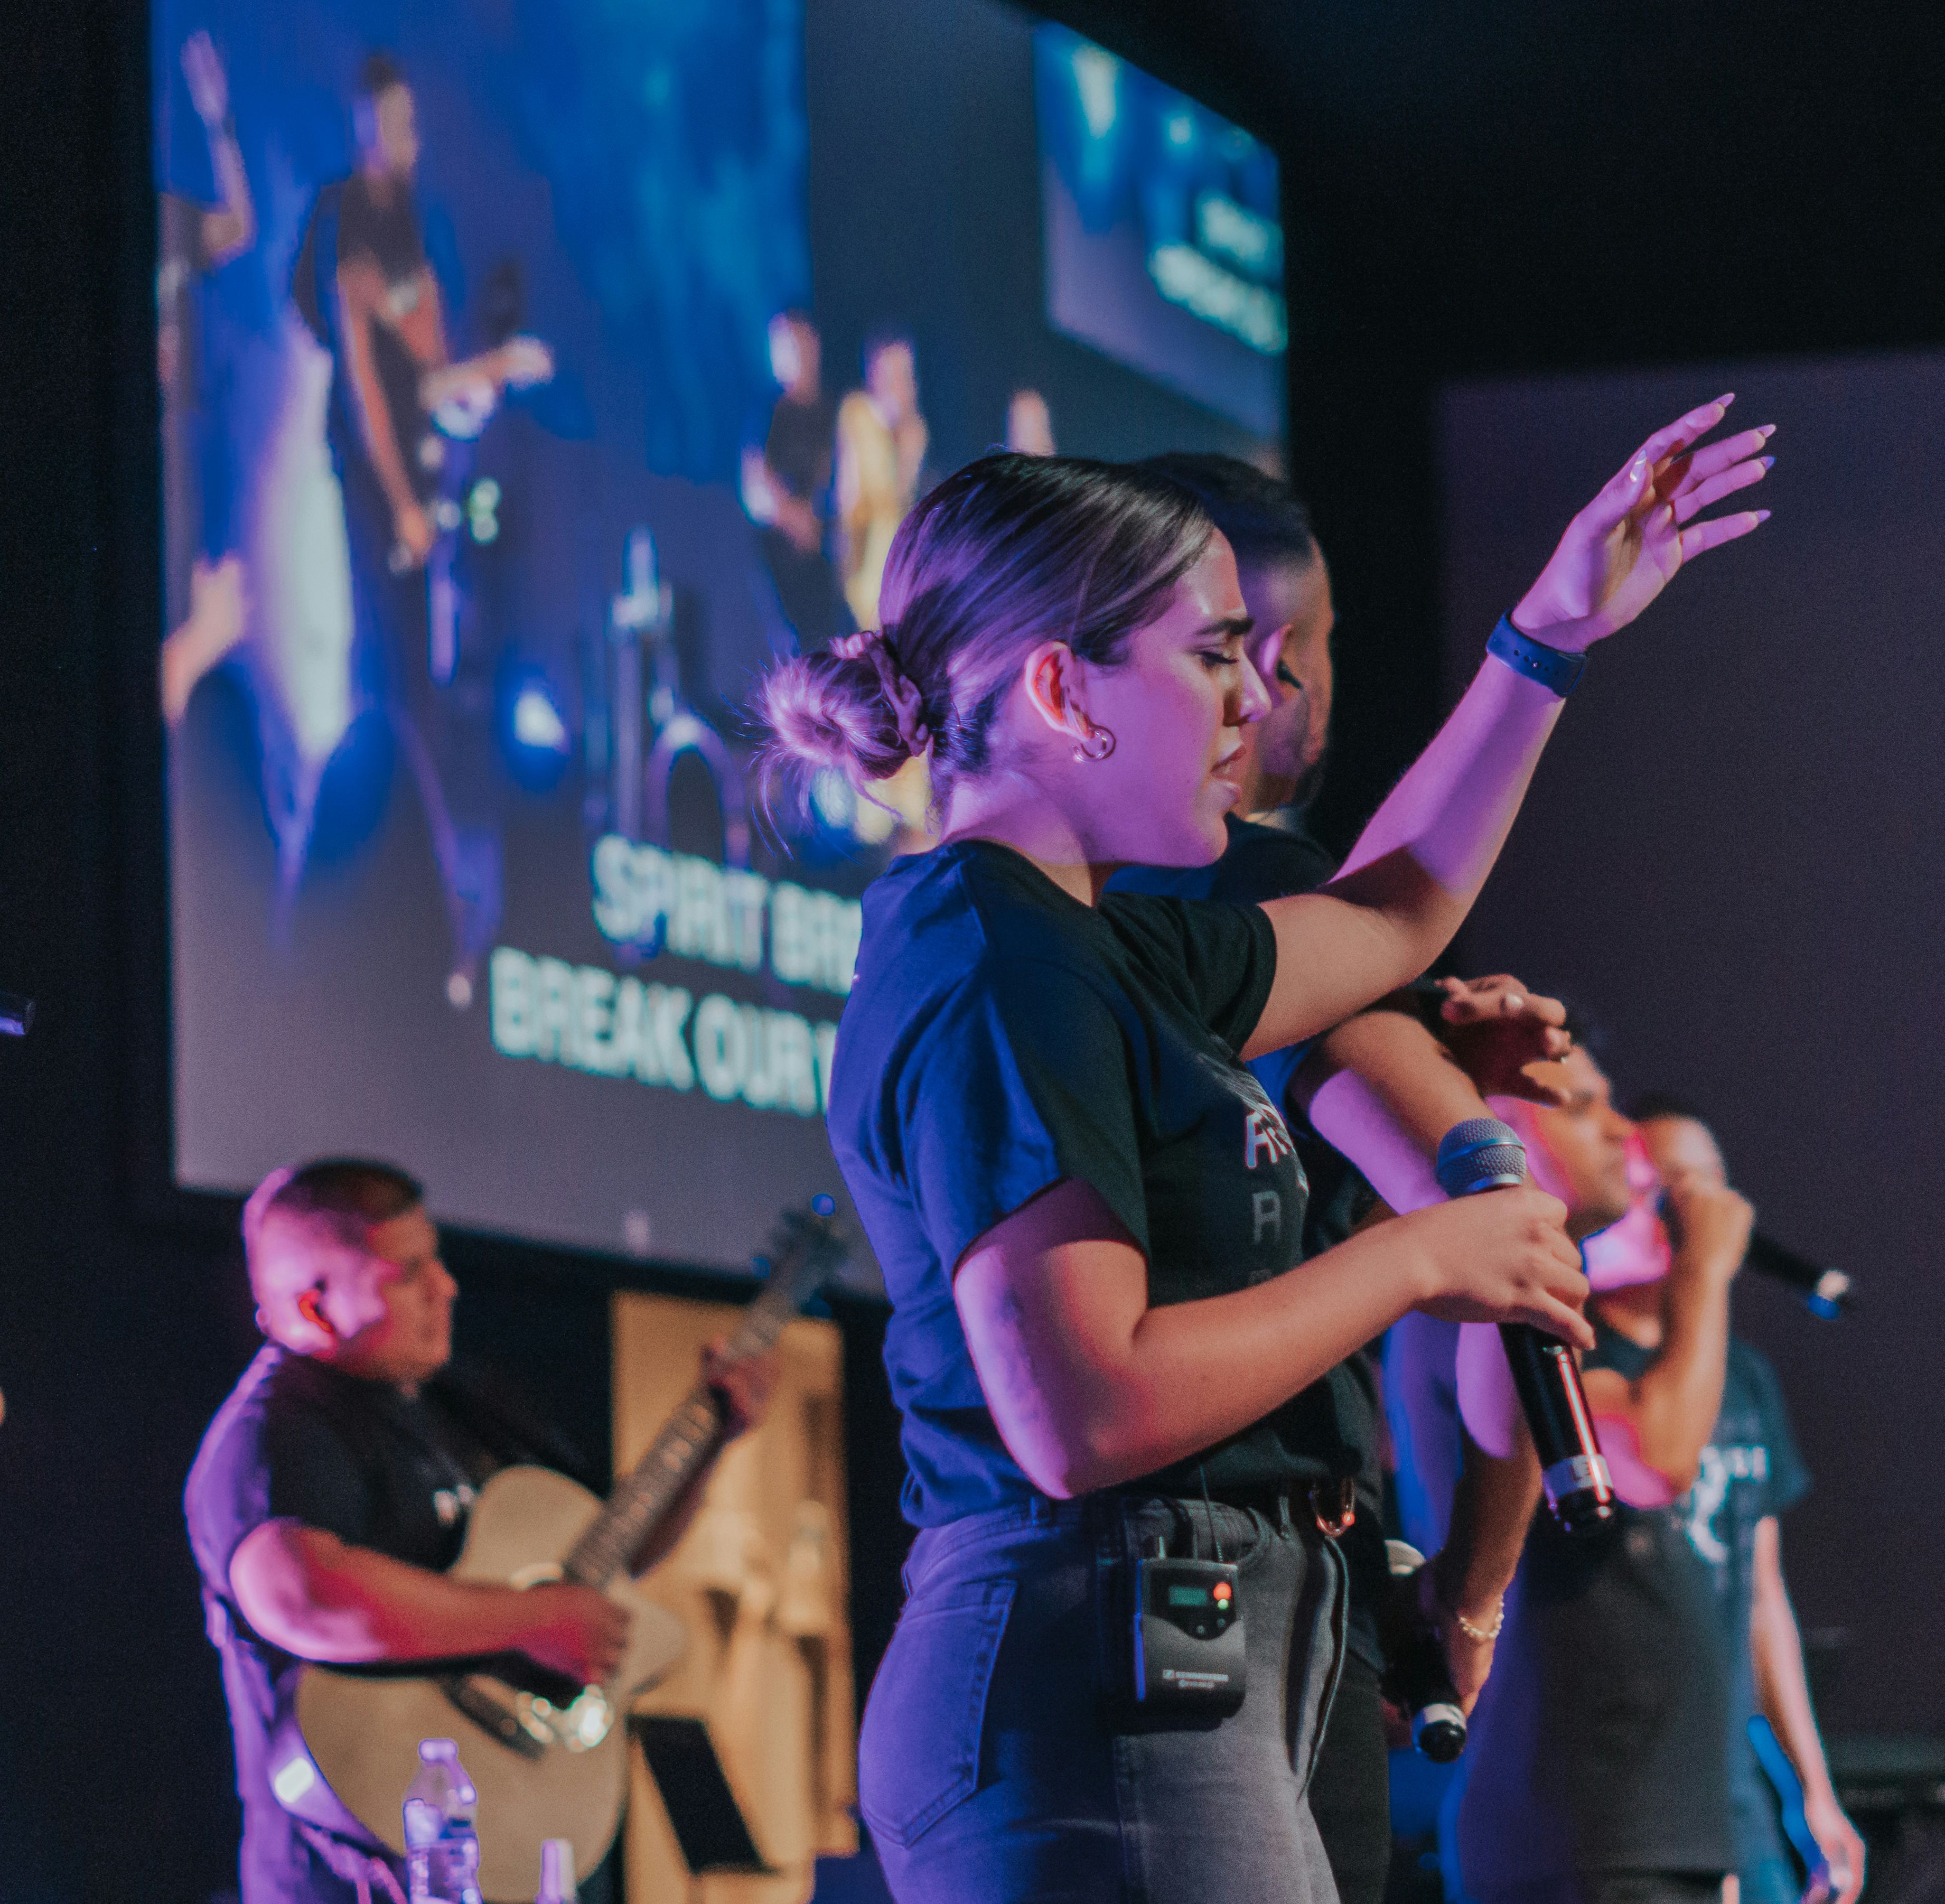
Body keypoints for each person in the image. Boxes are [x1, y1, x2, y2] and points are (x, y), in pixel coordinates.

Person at [755, 403, 1771, 1902]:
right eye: (1211, 654)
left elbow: (1392, 914)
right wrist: (1415, 1254)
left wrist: (1548, 634)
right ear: (1061, 688)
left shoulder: (1102, 945)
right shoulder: (991, 954)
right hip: (1090, 1661)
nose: (1253, 702)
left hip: (1179, 1648)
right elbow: (1080, 1408)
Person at [1106, 455, 1568, 1904]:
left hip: (1270, 1603)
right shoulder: (1211, 895)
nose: (1277, 695)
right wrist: (1475, 1595)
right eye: (1246, 652)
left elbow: (1400, 913)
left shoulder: (1159, 919)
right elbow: (1480, 1226)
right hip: (1174, 1607)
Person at [185, 1159, 773, 1904]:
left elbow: (603, 1561)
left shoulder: (465, 1403)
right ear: (317, 1304)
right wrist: (530, 1619)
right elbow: (300, 1593)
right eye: (406, 1272)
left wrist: (711, 1440)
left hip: (500, 1864)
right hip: (352, 1878)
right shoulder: (278, 1427)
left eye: (436, 1259)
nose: (445, 1286)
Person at [1629, 1098, 1865, 1904]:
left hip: (1734, 1792)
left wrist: (1812, 1791)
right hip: (1634, 1790)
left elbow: (1762, 1600)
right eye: (1668, 1182)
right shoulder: (1596, 1372)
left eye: (1709, 1183)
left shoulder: (1748, 1379)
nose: (1696, 1204)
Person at [158, 31, 256, 711]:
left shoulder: (168, 215)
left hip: (178, 439)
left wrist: (219, 121)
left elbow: (240, 226)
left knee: (185, 602)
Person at [743, 310, 843, 648]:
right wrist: (794, 518)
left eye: (797, 343)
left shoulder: (836, 410)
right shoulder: (769, 414)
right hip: (784, 558)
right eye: (782, 346)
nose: (792, 354)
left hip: (831, 555)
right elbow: (755, 487)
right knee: (797, 649)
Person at [835, 330, 930, 629]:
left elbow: (905, 497)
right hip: (865, 564)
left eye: (907, 374)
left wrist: (907, 447)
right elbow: (851, 496)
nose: (902, 385)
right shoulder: (858, 413)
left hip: (902, 565)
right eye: (893, 373)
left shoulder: (915, 431)